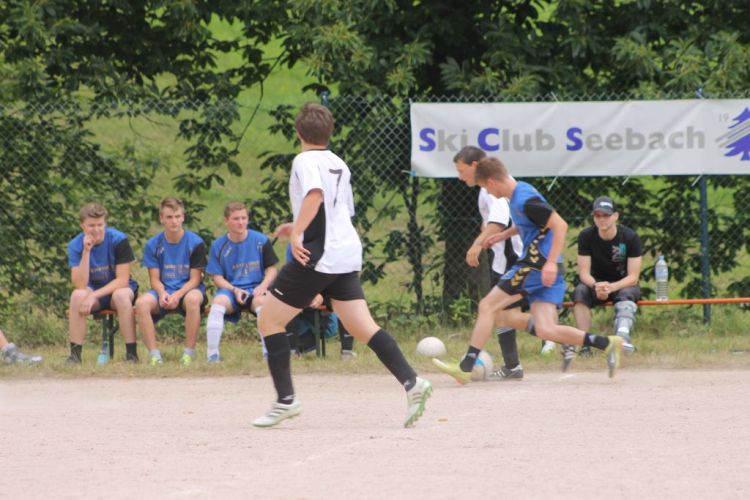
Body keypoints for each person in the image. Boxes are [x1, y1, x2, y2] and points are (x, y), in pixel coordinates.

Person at [252, 102, 432, 428]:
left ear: (298, 132)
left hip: (319, 255)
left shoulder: (304, 160)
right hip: (345, 252)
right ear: (329, 132)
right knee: (363, 327)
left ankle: (285, 400)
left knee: (268, 320)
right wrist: (297, 225)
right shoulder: (338, 162)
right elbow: (340, 211)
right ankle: (412, 381)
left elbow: (315, 196)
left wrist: (298, 233)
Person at [433, 156, 624, 382]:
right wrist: (505, 234)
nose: (487, 192)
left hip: (536, 265)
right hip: (543, 267)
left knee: (487, 306)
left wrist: (550, 262)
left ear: (492, 182)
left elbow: (560, 224)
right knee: (545, 329)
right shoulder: (519, 195)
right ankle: (607, 343)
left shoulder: (524, 199)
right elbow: (532, 223)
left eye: (486, 187)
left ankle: (465, 367)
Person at [453, 146, 531, 380]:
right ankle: (512, 366)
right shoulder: (488, 187)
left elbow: (499, 221)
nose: (460, 177)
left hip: (512, 258)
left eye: (461, 171)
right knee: (504, 315)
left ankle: (561, 336)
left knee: (494, 309)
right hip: (504, 259)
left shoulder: (491, 186)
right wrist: (485, 233)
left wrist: (477, 244)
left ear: (475, 166)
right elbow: (492, 221)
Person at [135, 197, 208, 366]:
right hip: (164, 290)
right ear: (161, 218)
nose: (174, 221)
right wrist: (162, 293)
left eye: (177, 216)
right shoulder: (153, 244)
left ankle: (188, 354)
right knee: (141, 304)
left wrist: (178, 295)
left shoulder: (196, 243)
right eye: (169, 217)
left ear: (183, 217)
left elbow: (195, 279)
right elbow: (154, 280)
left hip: (188, 290)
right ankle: (154, 356)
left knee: (193, 299)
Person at [204, 201, 279, 362]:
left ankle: (268, 353)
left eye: (244, 218)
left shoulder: (260, 240)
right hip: (231, 290)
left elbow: (272, 269)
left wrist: (263, 286)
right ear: (226, 221)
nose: (241, 222)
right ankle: (212, 355)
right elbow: (217, 278)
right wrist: (234, 290)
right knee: (218, 303)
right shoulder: (218, 245)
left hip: (256, 288)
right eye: (236, 218)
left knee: (263, 303)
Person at [67, 203, 139, 364]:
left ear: (105, 223)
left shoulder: (118, 239)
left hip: (117, 289)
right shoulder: (75, 245)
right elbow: (80, 284)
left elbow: (122, 280)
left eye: (100, 225)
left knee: (121, 296)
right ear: (82, 225)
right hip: (92, 291)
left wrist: (93, 295)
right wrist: (86, 252)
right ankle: (75, 356)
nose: (96, 230)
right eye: (91, 225)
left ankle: (131, 355)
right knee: (77, 296)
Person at [573, 196, 642, 358]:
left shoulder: (630, 237)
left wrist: (612, 287)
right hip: (595, 284)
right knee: (580, 293)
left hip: (622, 283)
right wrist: (596, 286)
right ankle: (585, 344)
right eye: (598, 215)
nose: (602, 219)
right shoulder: (586, 236)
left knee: (627, 294)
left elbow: (633, 277)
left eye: (606, 215)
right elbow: (583, 273)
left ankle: (621, 339)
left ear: (615, 216)